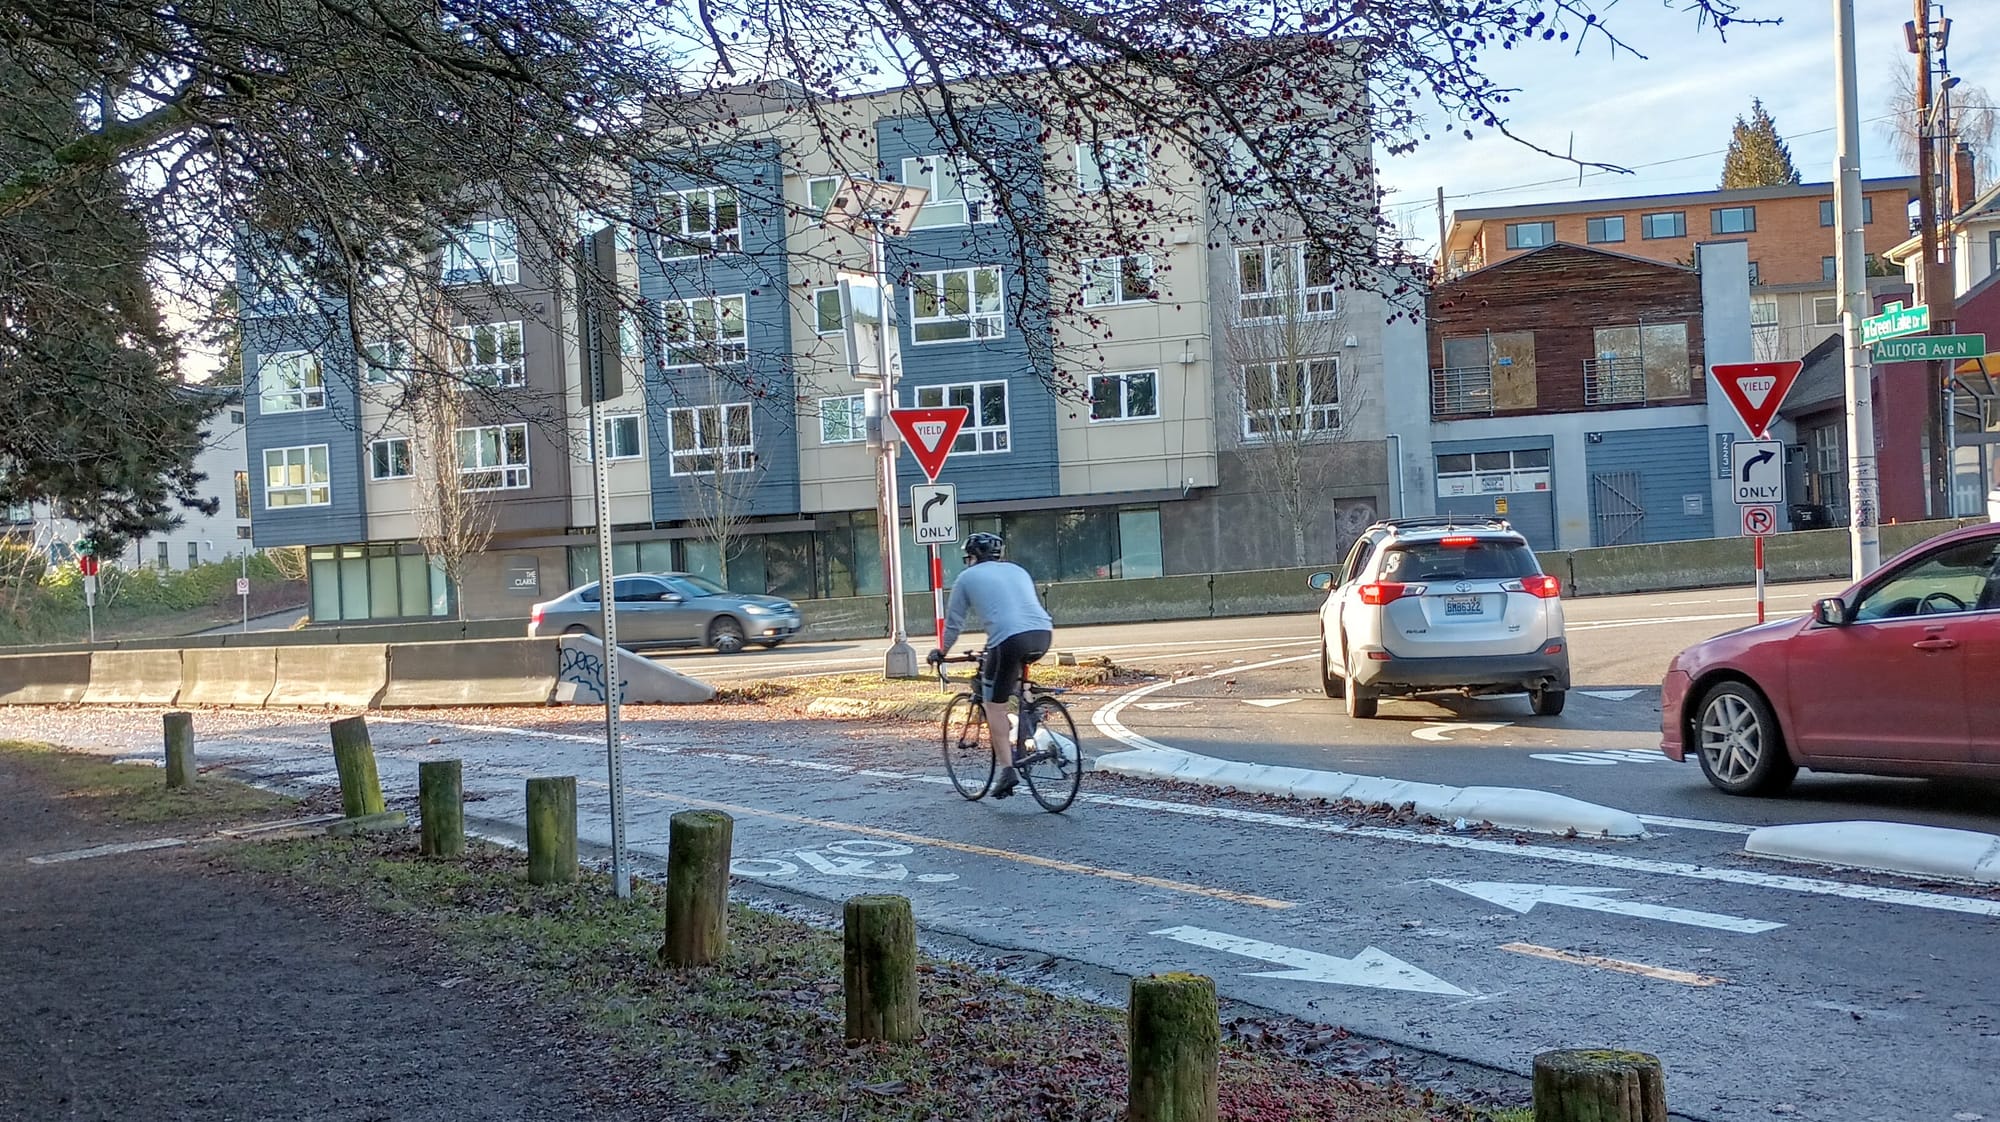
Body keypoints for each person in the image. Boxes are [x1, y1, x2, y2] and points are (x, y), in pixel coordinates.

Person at [927, 532, 1052, 798]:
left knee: (993, 704)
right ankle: (1029, 712)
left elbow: (954, 623)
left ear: (972, 557)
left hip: (1008, 639)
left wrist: (941, 651)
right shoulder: (1017, 570)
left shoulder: (966, 578)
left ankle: (1007, 770)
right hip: (1043, 633)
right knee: (1012, 677)